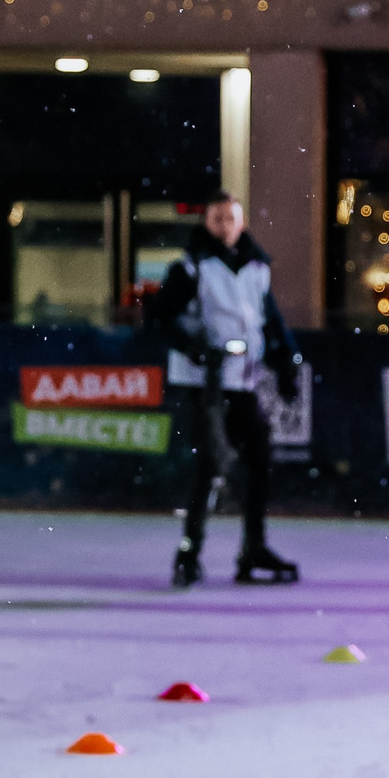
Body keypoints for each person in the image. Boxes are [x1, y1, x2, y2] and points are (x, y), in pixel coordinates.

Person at [152, 193, 305, 587]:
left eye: (230, 218)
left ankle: (253, 546)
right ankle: (190, 550)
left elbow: (268, 320)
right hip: (204, 383)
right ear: (206, 222)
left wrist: (285, 361)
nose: (224, 226)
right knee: (209, 463)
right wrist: (195, 348)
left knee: (258, 457)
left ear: (242, 222)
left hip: (242, 380)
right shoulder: (190, 268)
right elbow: (161, 317)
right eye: (217, 218)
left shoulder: (256, 266)